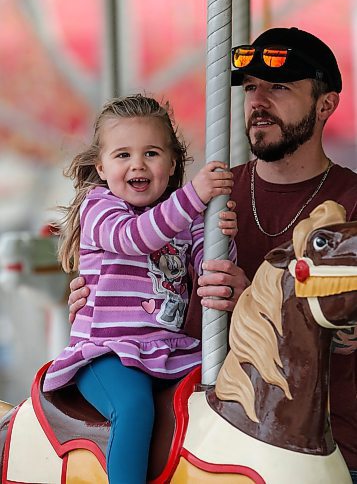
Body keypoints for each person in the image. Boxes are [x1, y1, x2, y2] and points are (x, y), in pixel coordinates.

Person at [68, 28, 357, 481]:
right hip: (221, 441)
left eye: (278, 86)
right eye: (250, 88)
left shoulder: (351, 201)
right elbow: (156, 276)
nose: (258, 100)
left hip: (332, 442)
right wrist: (107, 291)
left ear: (325, 104)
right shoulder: (211, 196)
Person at [43, 94, 237, 484]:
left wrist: (222, 233)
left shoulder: (185, 219)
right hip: (105, 353)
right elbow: (136, 238)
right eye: (122, 155)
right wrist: (195, 197)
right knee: (133, 408)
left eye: (151, 153)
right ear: (101, 165)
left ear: (171, 163)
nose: (137, 164)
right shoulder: (100, 208)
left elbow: (209, 271)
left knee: (225, 395)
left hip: (166, 351)